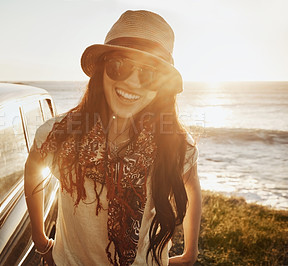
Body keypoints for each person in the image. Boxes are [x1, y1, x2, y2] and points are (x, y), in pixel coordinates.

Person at [25, 10, 201, 266]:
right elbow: (32, 167)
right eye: (120, 65)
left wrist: (190, 253)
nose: (132, 82)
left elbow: (191, 185)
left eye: (148, 73)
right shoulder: (59, 134)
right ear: (102, 69)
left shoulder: (174, 143)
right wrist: (39, 238)